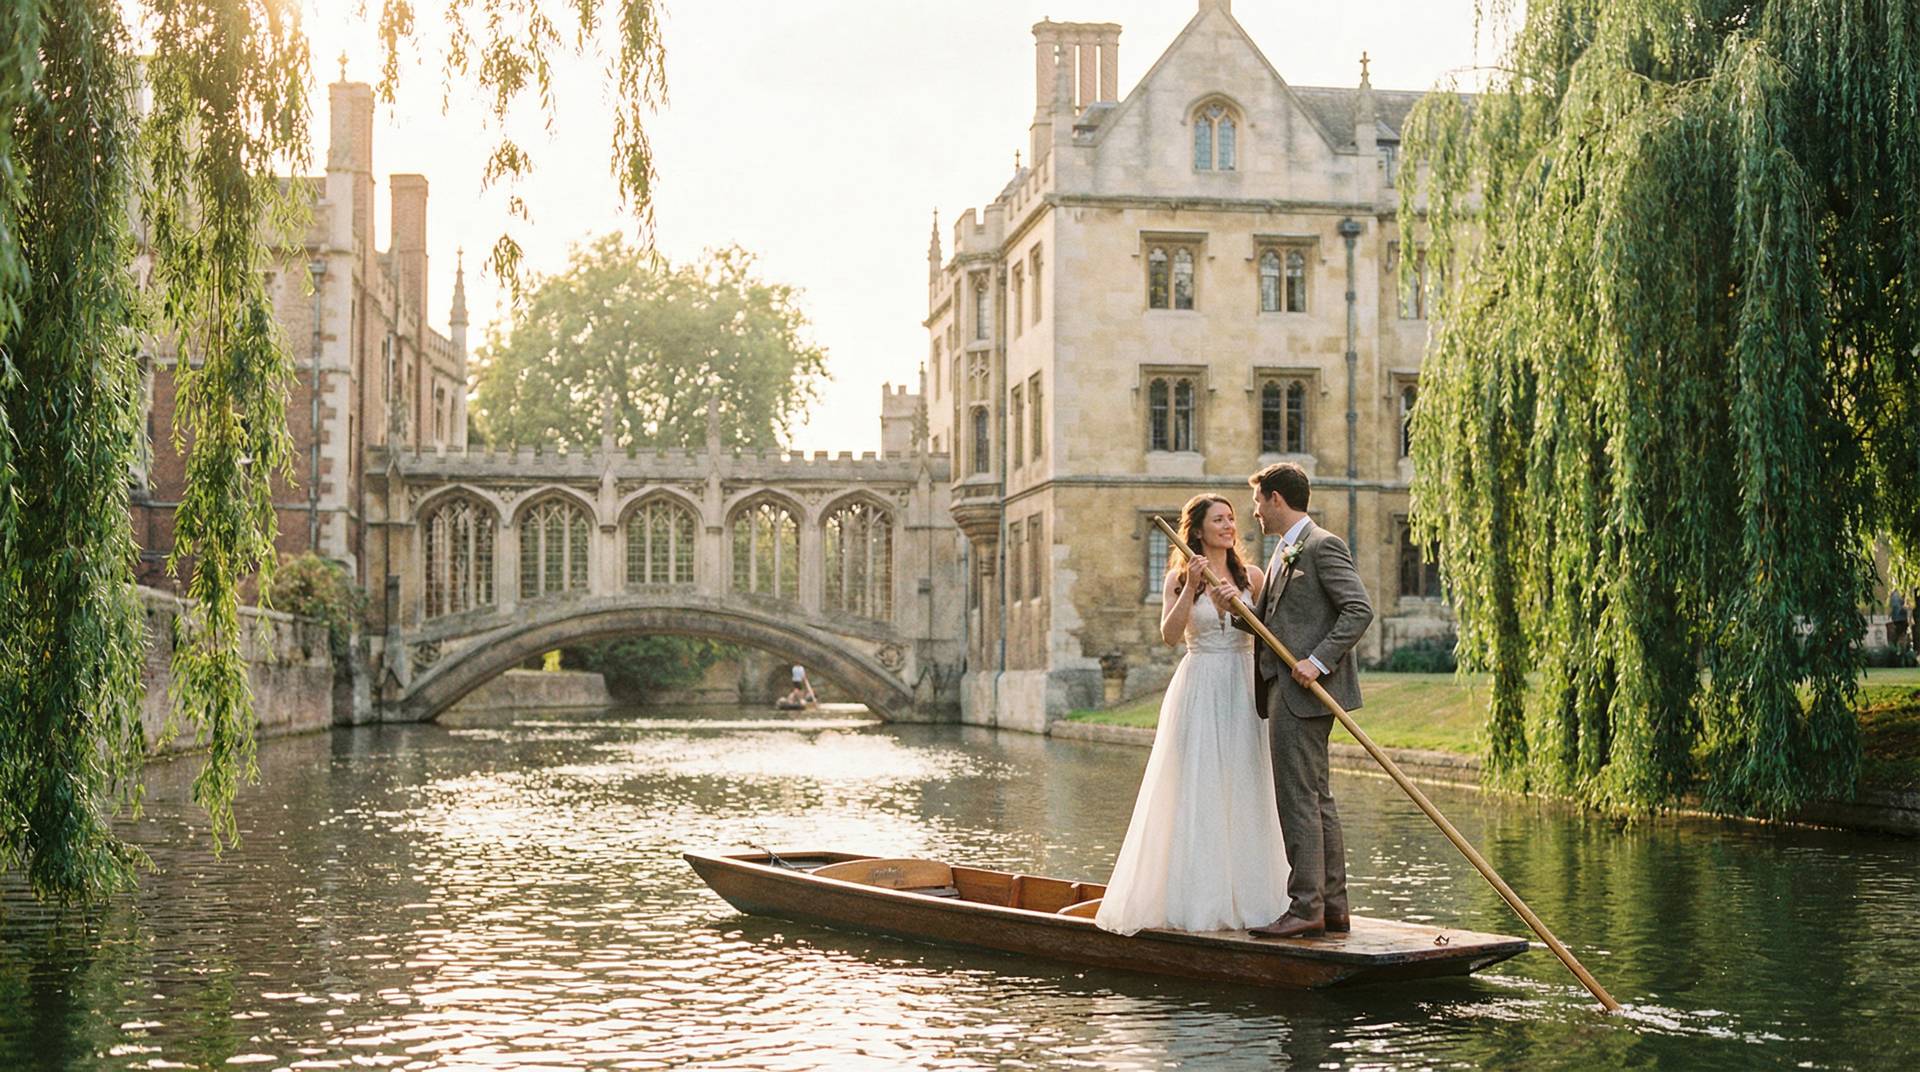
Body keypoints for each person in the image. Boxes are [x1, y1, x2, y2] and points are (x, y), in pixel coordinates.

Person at [1094, 494, 1292, 935]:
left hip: (1242, 685)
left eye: (1231, 519)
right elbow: (1169, 634)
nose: (1228, 526)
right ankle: (1197, 900)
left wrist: (1237, 610)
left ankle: (1259, 899)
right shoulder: (1178, 577)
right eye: (1218, 520)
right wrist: (1190, 589)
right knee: (1197, 785)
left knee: (1246, 783)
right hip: (1199, 682)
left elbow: (1270, 635)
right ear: (1198, 531)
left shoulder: (1253, 576)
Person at [1237, 461, 1374, 940]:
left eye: (1257, 501)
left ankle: (1304, 908)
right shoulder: (1281, 551)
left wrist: (1317, 661)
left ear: (1276, 498)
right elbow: (1276, 619)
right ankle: (1332, 907)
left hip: (1303, 692)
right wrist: (1237, 610)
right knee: (1317, 800)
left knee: (1299, 800)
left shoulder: (1320, 545)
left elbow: (1358, 609)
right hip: (1284, 687)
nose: (1253, 511)